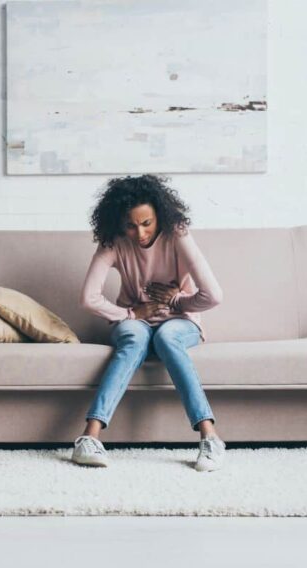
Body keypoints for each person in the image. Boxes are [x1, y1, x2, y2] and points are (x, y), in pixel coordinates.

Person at [72, 174, 226, 472]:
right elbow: (89, 298)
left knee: (167, 337)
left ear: (161, 217)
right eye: (131, 225)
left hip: (180, 321)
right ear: (119, 223)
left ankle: (211, 438)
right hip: (134, 321)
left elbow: (213, 295)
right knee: (134, 337)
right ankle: (88, 439)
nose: (139, 233)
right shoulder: (114, 243)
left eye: (147, 223)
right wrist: (131, 315)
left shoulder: (178, 234)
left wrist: (178, 302)